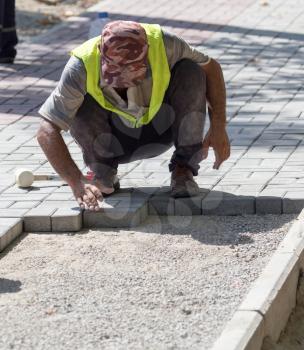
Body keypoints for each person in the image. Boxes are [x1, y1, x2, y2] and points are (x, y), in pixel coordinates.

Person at [37, 20, 230, 211]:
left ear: (146, 53)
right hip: (113, 141)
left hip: (161, 130)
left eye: (131, 74)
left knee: (191, 70)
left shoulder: (165, 44)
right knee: (79, 101)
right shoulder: (81, 65)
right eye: (114, 74)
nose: (122, 84)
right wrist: (76, 181)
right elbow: (46, 130)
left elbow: (211, 67)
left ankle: (183, 169)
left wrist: (218, 127)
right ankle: (103, 173)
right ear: (101, 52)